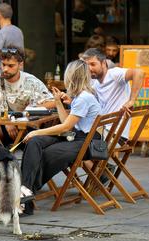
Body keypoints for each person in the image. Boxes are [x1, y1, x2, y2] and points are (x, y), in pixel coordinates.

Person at [20, 59, 101, 215]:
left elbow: (65, 126)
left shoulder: (83, 98)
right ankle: (25, 191)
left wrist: (35, 131)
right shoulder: (81, 96)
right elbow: (66, 122)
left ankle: (25, 193)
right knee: (35, 143)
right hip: (77, 136)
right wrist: (58, 102)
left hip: (87, 142)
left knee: (48, 151)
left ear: (71, 77)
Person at [0, 46, 54, 142]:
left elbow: (52, 102)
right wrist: (6, 122)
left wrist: (32, 109)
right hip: (1, 128)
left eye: (11, 66)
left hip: (28, 127)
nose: (5, 69)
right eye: (3, 64)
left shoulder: (31, 81)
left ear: (20, 65)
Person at [81, 48, 144, 139]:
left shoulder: (113, 73)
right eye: (86, 65)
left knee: (73, 137)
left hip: (115, 136)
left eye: (93, 64)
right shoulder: (95, 83)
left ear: (103, 63)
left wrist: (131, 101)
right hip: (102, 131)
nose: (89, 68)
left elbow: (139, 72)